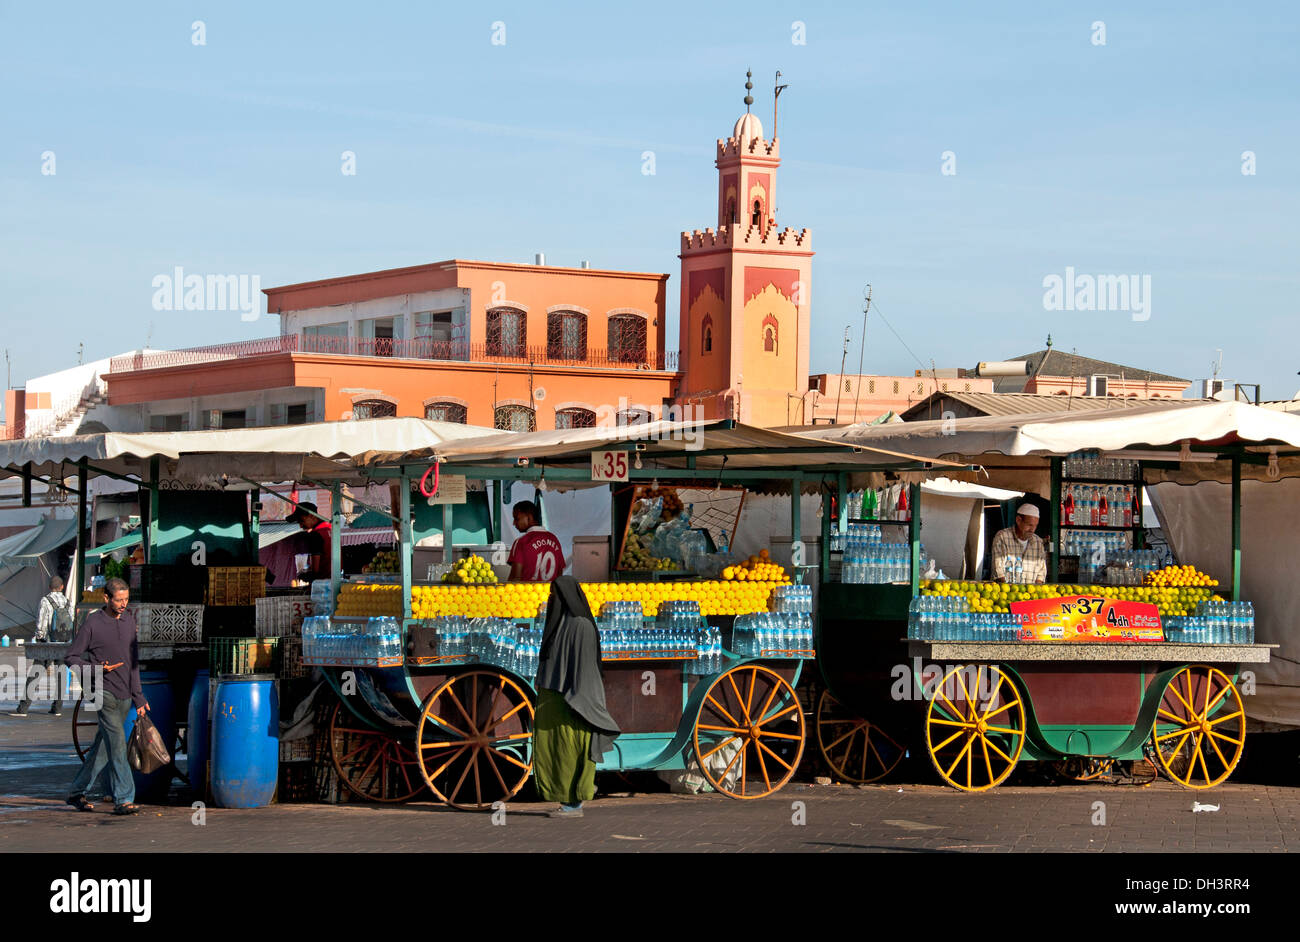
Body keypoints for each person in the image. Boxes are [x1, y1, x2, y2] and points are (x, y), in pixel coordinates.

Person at [533, 576, 620, 818]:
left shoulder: (580, 625)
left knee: (571, 751)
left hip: (574, 703)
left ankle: (574, 802)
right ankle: (566, 797)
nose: (552, 600)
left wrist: (577, 699)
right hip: (556, 700)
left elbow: (584, 671)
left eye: (555, 596)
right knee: (554, 750)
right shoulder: (561, 622)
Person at [64, 577, 148, 816]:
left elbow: (133, 662)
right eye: (118, 600)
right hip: (102, 692)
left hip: (124, 693)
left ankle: (75, 792)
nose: (123, 604)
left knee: (103, 747)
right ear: (106, 598)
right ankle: (124, 798)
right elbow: (71, 658)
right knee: (118, 745)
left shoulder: (130, 621)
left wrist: (139, 697)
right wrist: (97, 669)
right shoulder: (92, 624)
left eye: (126, 600)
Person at [11, 575, 73, 717]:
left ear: (49, 587)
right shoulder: (67, 602)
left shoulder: (46, 600)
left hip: (47, 643)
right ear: (62, 587)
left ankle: (23, 708)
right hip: (63, 642)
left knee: (35, 674)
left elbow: (41, 623)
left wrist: (39, 638)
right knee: (61, 675)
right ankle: (57, 708)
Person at [507, 500, 565, 583]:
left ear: (529, 517)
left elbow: (515, 579)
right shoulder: (554, 539)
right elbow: (559, 573)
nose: (514, 523)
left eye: (517, 518)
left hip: (528, 594)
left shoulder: (521, 542)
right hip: (551, 594)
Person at [991, 503, 1047, 585]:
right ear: (1018, 520)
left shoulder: (1038, 542)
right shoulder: (1002, 537)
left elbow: (1041, 574)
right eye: (1029, 525)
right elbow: (998, 571)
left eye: (1035, 526)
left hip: (1031, 595)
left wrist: (1035, 591)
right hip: (1006, 594)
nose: (1032, 529)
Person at [288, 501, 332, 585]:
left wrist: (303, 575)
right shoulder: (331, 529)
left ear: (311, 516)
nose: (301, 525)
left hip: (322, 587)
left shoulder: (315, 535)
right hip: (333, 582)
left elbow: (315, 571)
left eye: (301, 520)